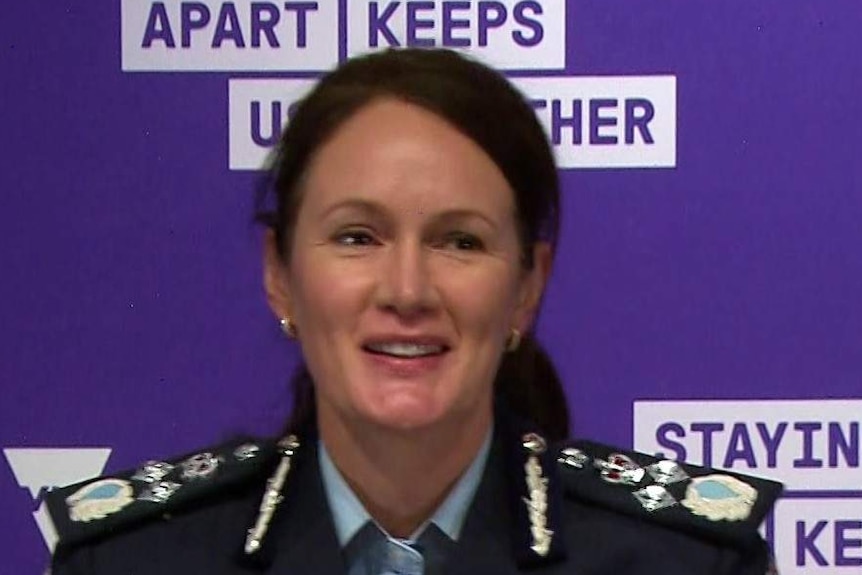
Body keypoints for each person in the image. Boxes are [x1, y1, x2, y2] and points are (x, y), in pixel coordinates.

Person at [46, 48, 781, 575]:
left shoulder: (687, 558)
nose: (407, 289)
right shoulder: (130, 557)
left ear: (528, 284)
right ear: (280, 274)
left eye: (460, 240)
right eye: (357, 236)